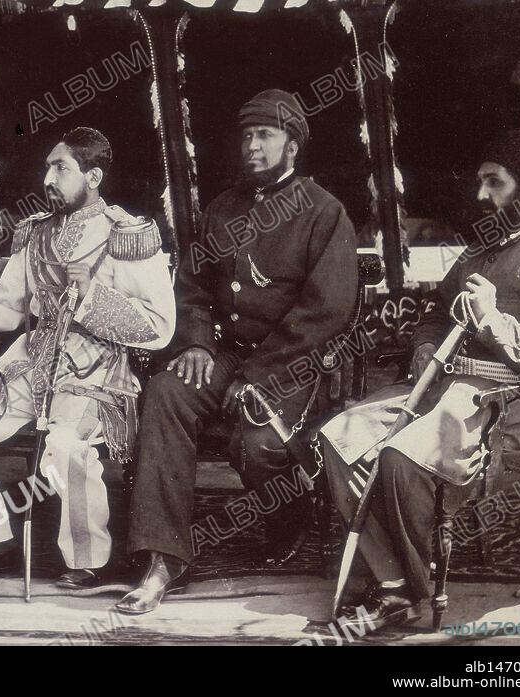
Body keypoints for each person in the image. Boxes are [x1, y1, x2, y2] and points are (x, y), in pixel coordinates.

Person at [319, 130, 520, 631]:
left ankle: (412, 592)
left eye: (494, 183)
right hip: (448, 394)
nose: (481, 195)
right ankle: (394, 583)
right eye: (481, 181)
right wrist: (422, 345)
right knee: (341, 436)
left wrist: (492, 321)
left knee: (400, 457)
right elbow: (437, 314)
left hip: (517, 409)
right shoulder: (478, 250)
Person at [117, 90, 358, 615]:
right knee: (166, 392)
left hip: (291, 358)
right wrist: (200, 343)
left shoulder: (324, 211)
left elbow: (327, 310)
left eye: (265, 135)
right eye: (246, 135)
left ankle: (287, 511)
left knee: (256, 443)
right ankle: (165, 559)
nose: (251, 145)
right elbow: (193, 289)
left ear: (292, 144)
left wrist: (259, 373)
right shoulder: (222, 209)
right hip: (224, 351)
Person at [0, 127, 175, 588]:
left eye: (61, 168)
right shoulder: (36, 233)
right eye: (48, 167)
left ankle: (90, 560)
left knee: (65, 447)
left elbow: (157, 327)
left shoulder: (128, 235)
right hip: (32, 363)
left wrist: (90, 296)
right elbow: (7, 302)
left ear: (94, 175)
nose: (49, 177)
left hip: (98, 371)